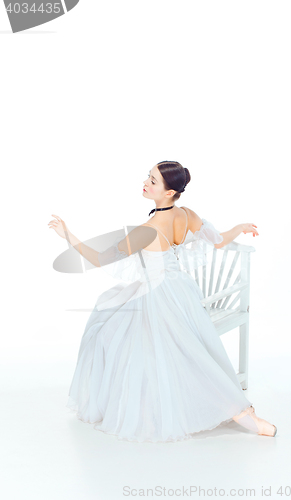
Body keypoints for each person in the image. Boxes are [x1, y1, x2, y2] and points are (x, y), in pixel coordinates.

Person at [48, 160, 277, 443]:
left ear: (169, 192)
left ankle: (229, 413)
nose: (146, 182)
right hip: (181, 291)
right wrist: (239, 227)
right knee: (189, 351)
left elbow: (98, 258)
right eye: (148, 176)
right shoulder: (186, 214)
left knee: (108, 332)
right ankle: (242, 415)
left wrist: (67, 235)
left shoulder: (148, 228)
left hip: (156, 295)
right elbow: (217, 240)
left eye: (153, 181)